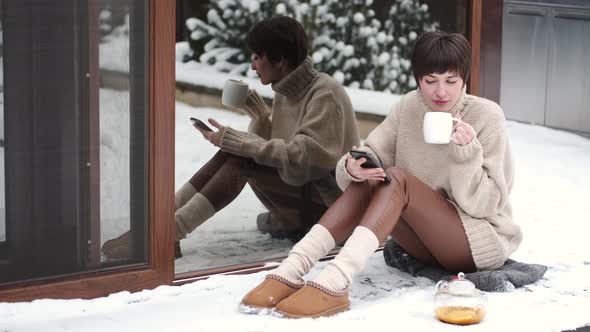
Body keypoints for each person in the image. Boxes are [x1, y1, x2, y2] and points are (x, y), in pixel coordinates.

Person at [239, 31, 522, 318]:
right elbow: (370, 153)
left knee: (396, 177)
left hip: (474, 242)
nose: (441, 92)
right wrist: (352, 167)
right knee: (371, 176)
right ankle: (292, 268)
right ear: (417, 79)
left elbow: (487, 205)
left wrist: (465, 155)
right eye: (430, 81)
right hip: (422, 243)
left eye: (451, 81)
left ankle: (336, 279)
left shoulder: (487, 117)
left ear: (464, 79)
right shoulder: (408, 107)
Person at [101, 16, 360, 260]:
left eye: (257, 57)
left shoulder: (324, 93)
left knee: (242, 157)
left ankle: (168, 233)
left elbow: (303, 160)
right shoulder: (286, 90)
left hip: (331, 208)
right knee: (236, 152)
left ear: (280, 60)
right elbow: (280, 153)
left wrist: (243, 142)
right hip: (304, 195)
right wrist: (261, 121)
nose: (252, 65)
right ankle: (158, 224)